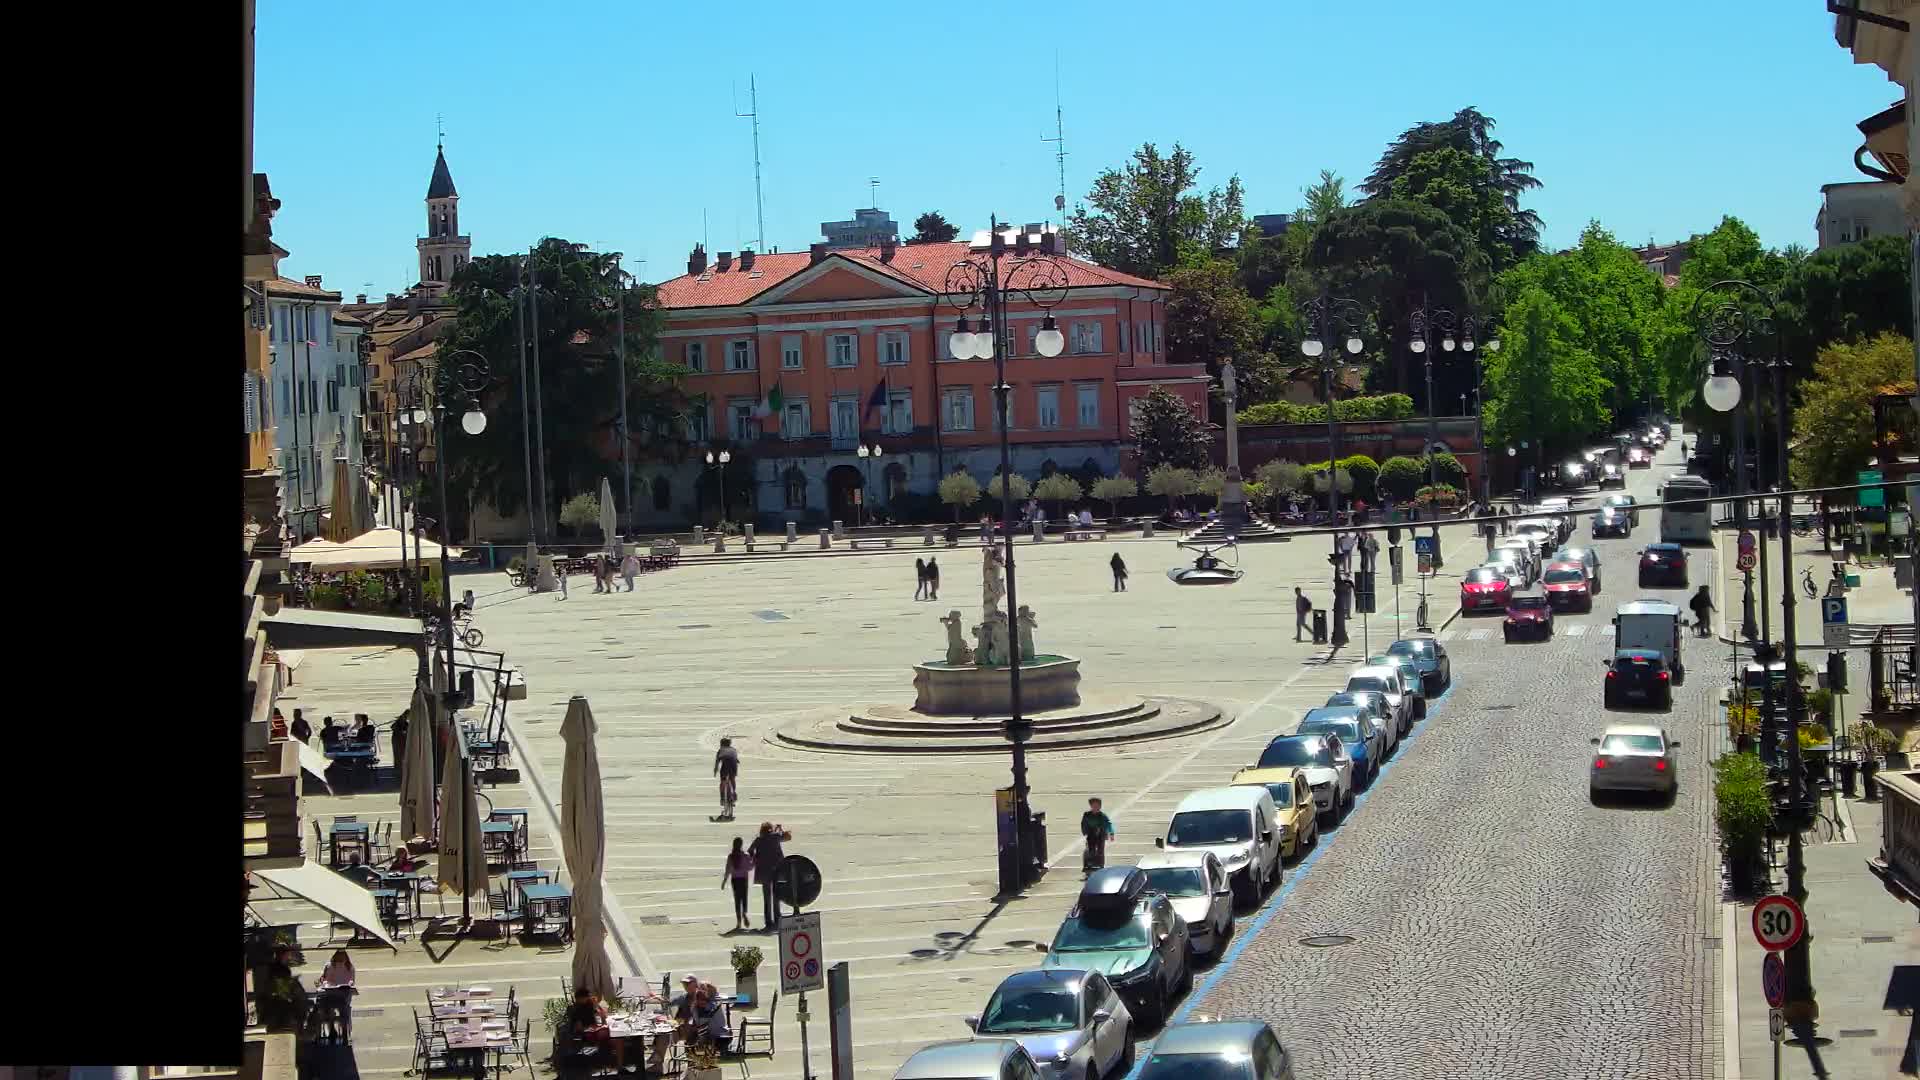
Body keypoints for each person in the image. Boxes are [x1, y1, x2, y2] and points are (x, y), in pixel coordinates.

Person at [569, 988, 629, 1072]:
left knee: (619, 1039)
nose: (589, 998)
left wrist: (597, 1005)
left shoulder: (589, 1005)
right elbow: (579, 1028)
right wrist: (595, 1028)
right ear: (580, 998)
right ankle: (607, 1063)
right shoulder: (575, 1009)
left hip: (597, 1030)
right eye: (587, 997)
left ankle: (620, 1066)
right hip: (587, 1033)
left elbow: (604, 1017)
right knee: (608, 1032)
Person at [748, 822, 789, 932]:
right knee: (776, 897)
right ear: (770, 829)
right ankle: (778, 920)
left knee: (767, 899)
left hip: (764, 872)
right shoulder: (775, 837)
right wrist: (780, 829)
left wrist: (756, 857)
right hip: (777, 871)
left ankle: (768, 923)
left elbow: (750, 851)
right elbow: (787, 837)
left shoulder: (758, 840)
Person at [317, 948, 356, 1037]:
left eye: (343, 956)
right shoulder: (330, 966)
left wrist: (349, 984)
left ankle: (344, 1028)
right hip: (331, 993)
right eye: (339, 956)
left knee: (343, 1008)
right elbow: (325, 980)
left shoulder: (349, 967)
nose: (341, 958)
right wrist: (328, 984)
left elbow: (351, 980)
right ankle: (331, 1029)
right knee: (327, 1006)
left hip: (343, 995)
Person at [721, 837, 754, 931]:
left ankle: (739, 922)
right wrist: (752, 859)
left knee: (737, 900)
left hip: (735, 880)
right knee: (744, 898)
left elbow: (728, 870)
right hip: (744, 879)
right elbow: (750, 867)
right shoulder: (745, 856)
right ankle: (744, 913)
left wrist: (724, 881)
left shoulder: (731, 856)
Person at [1080, 798, 1115, 875]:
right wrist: (1084, 831)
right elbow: (1083, 823)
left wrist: (1111, 833)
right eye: (1094, 806)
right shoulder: (1087, 815)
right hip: (1091, 834)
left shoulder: (1102, 816)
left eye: (1097, 806)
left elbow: (1109, 824)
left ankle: (1101, 866)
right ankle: (1089, 865)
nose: (1095, 808)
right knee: (1090, 849)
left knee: (1100, 851)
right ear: (1091, 806)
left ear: (1100, 807)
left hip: (1101, 835)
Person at [714, 738, 740, 820]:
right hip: (733, 765)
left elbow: (717, 762)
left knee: (723, 782)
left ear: (721, 744)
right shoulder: (734, 749)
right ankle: (734, 793)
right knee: (732, 779)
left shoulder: (721, 750)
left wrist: (715, 770)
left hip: (725, 766)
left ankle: (722, 798)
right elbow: (736, 759)